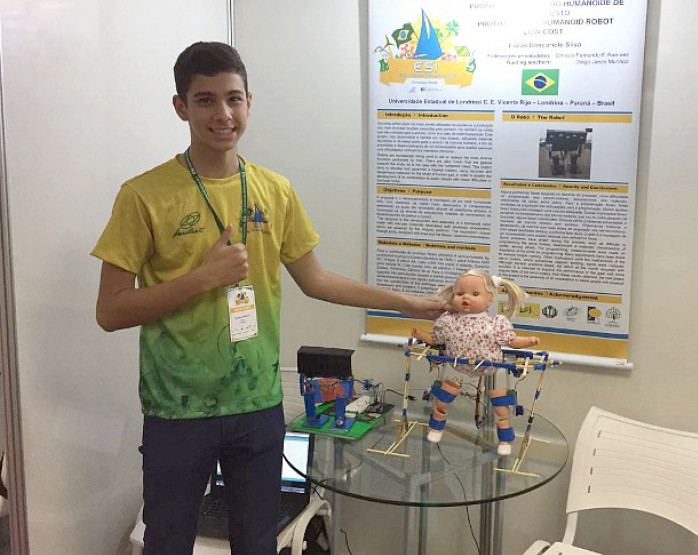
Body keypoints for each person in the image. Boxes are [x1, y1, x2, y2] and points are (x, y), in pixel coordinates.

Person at [91, 41, 444, 555]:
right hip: (177, 410)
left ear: (249, 103)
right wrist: (202, 278)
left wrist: (406, 303)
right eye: (206, 100)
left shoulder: (274, 190)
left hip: (257, 405)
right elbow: (110, 310)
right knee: (167, 544)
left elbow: (316, 279)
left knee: (258, 543)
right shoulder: (143, 195)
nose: (223, 114)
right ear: (181, 107)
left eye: (233, 98)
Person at [411, 269, 539, 455]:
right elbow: (435, 339)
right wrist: (420, 334)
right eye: (460, 293)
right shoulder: (448, 322)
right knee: (442, 398)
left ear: (490, 299)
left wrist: (528, 341)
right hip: (457, 365)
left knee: (500, 405)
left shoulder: (496, 324)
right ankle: (436, 428)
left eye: (475, 293)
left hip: (491, 368)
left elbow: (511, 341)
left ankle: (505, 440)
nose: (466, 297)